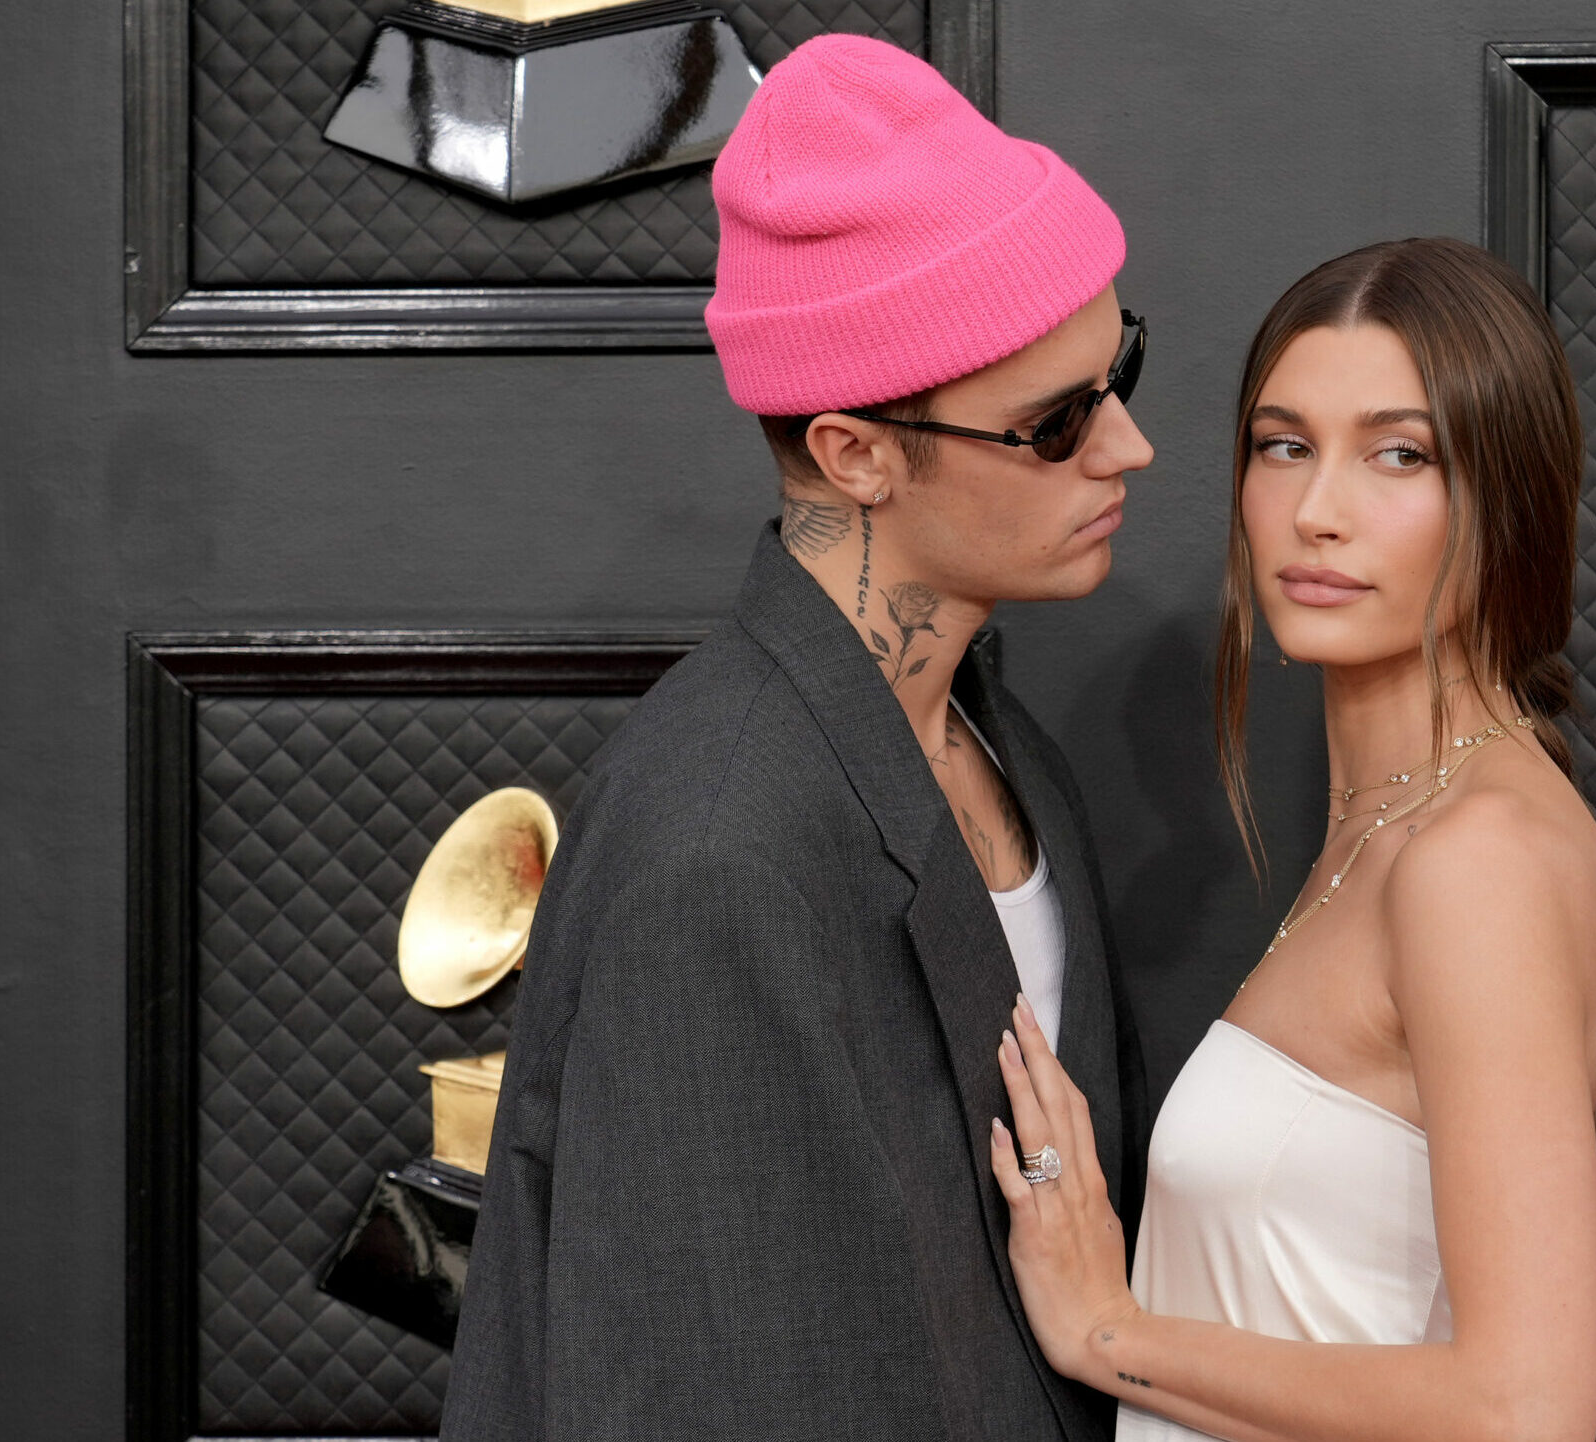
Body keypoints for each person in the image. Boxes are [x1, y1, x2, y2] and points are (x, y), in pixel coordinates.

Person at [441, 34, 1154, 1442]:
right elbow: (717, 1387)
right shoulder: (725, 860)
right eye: (1057, 421)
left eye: (1121, 368)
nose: (1124, 446)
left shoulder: (996, 738)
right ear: (857, 451)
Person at [974, 237, 1596, 1442]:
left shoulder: (1474, 860)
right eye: (1284, 446)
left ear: (1513, 494)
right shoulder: (1395, 825)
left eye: (1398, 454)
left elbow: (1526, 1408)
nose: (1318, 511)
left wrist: (1105, 1330)